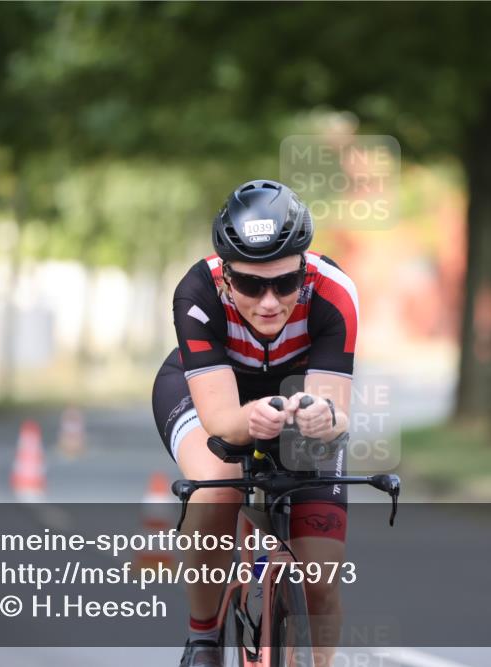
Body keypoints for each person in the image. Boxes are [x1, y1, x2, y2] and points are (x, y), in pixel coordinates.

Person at [152, 179, 359, 667]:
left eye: (285, 283)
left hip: (297, 393)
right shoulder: (196, 292)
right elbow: (223, 422)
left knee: (322, 579)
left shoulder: (335, 293)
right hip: (209, 389)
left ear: (304, 272)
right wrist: (248, 418)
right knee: (219, 485)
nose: (269, 302)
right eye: (250, 284)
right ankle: (202, 638)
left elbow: (335, 409)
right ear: (225, 277)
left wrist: (323, 419)